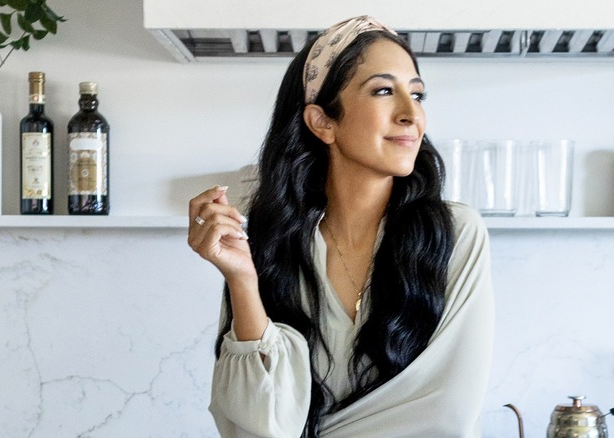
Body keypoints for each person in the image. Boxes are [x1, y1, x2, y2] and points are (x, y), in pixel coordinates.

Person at [187, 15, 494, 438]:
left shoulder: (456, 232)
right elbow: (257, 422)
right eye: (384, 90)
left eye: (418, 94)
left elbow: (446, 411)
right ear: (322, 122)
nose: (411, 114)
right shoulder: (269, 241)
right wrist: (241, 278)